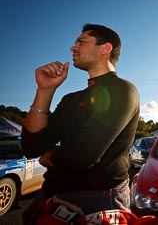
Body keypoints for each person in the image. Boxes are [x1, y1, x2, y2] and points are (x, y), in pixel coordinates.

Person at [21, 24, 140, 224]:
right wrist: (45, 91)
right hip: (49, 195)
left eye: (81, 42)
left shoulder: (123, 90)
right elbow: (32, 147)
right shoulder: (70, 99)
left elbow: (82, 156)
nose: (73, 48)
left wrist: (50, 156)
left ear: (105, 49)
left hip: (97, 200)